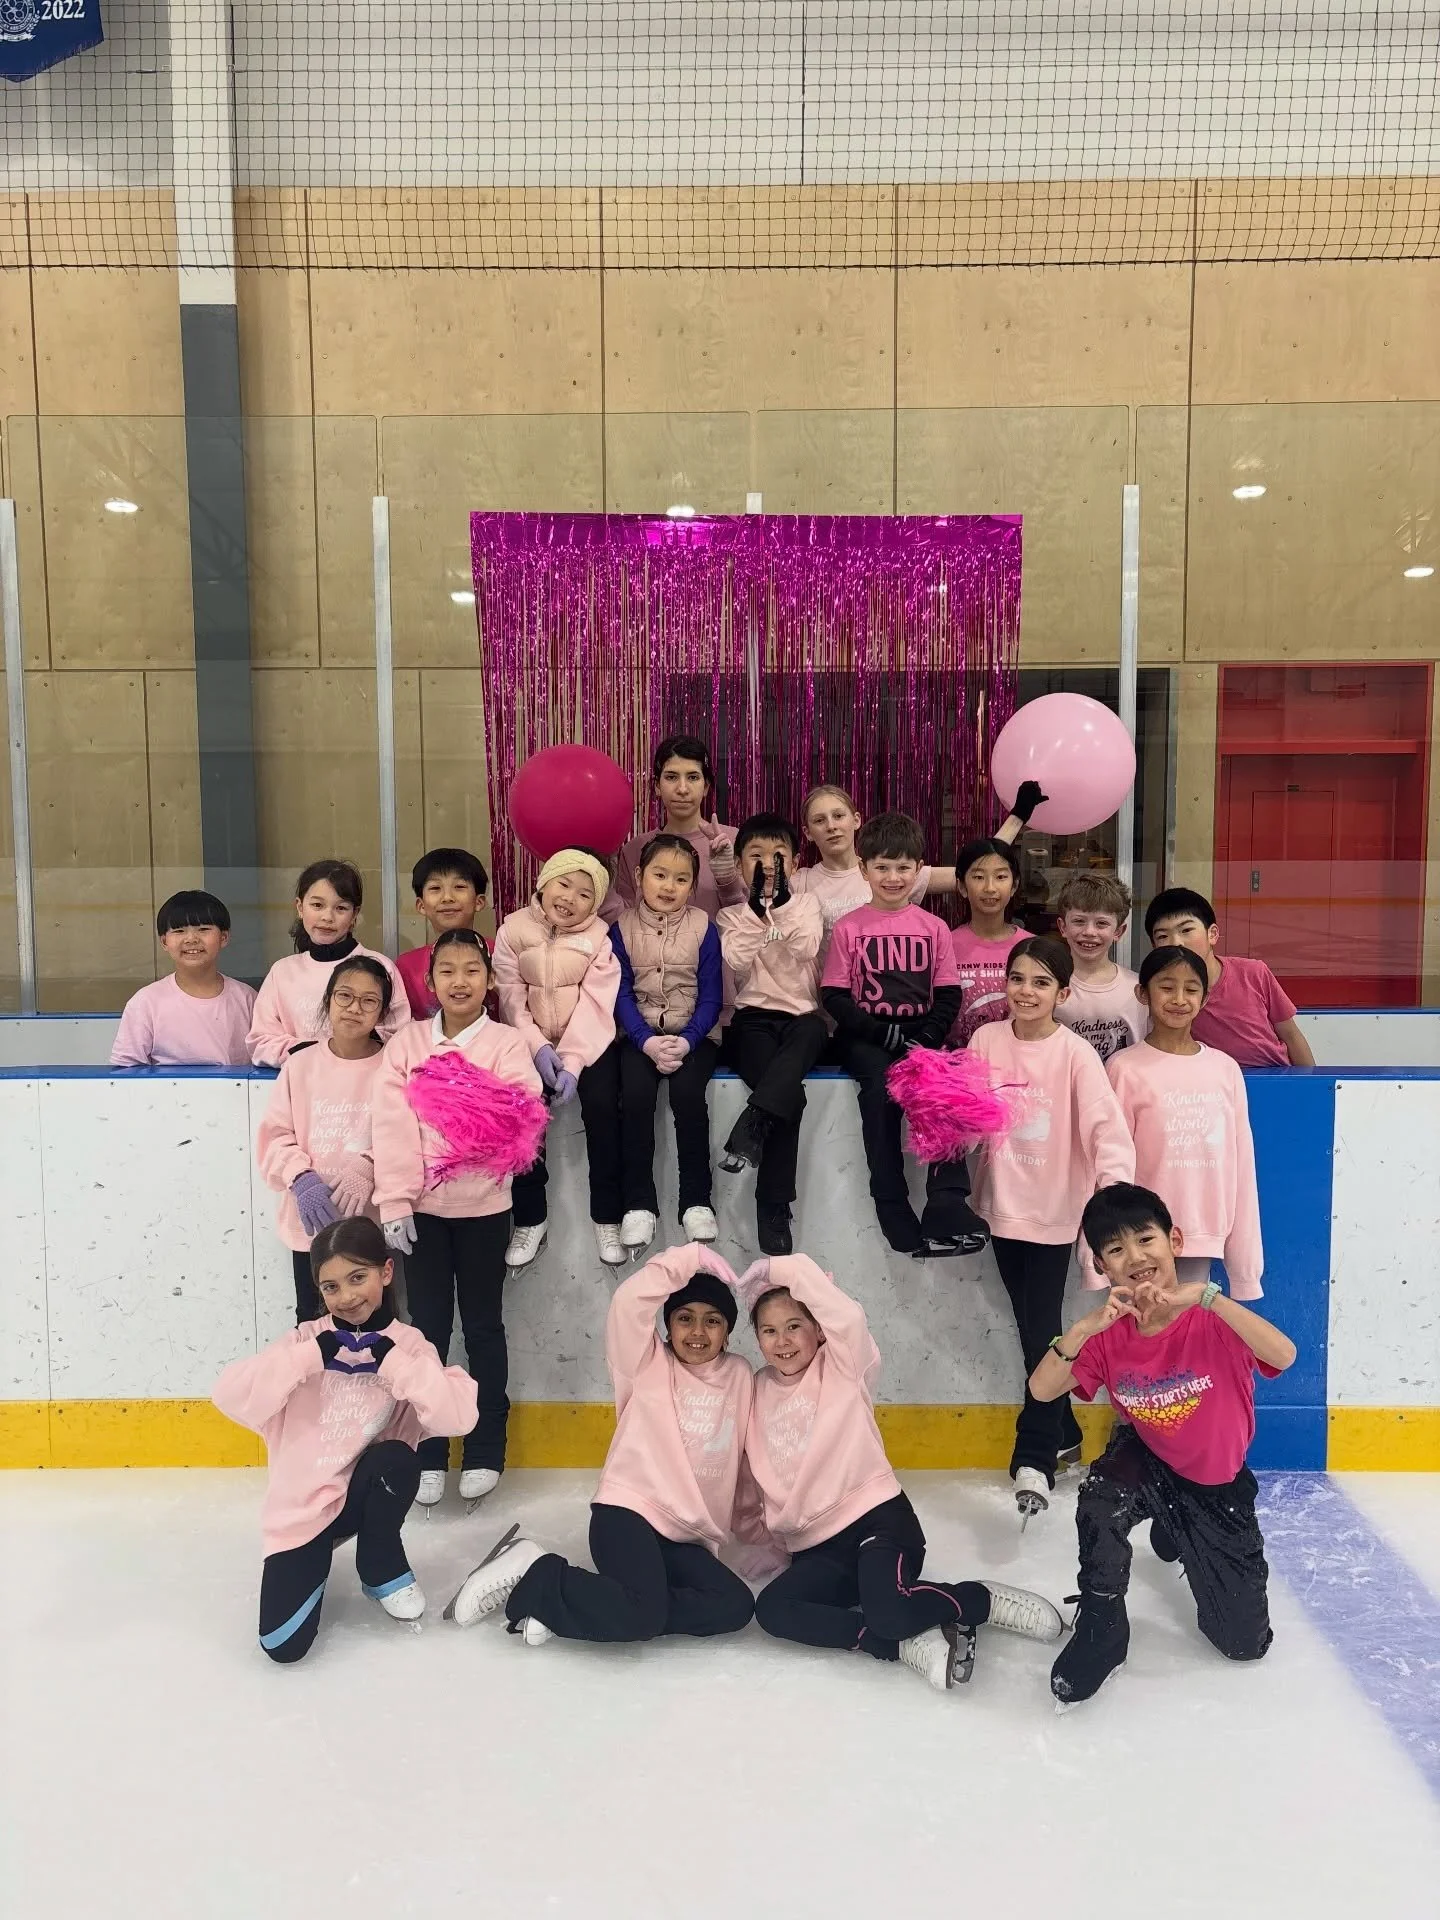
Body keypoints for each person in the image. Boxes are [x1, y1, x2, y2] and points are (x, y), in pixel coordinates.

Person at [744, 1255, 1063, 1691]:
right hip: (817, 1548)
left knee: (891, 1611)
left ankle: (979, 1600)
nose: (782, 1340)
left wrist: (784, 1270)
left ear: (819, 1329)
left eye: (794, 1325)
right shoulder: (756, 1389)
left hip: (878, 1523)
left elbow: (848, 1316)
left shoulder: (841, 1367)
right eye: (769, 1330)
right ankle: (893, 1644)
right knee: (774, 1610)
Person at [1032, 1183, 1295, 1705]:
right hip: (1146, 1455)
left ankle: (1177, 1529)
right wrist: (1085, 1326)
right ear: (1102, 1267)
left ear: (1174, 1239)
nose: (1134, 1257)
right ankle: (1104, 1625)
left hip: (1214, 1483)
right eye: (1114, 1250)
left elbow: (1283, 1355)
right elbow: (1042, 1389)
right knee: (1102, 1498)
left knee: (1244, 1645)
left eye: (1145, 1239)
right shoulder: (1108, 1333)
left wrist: (1209, 1297)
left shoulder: (1211, 1316)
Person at [446, 1244, 757, 1648]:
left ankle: (572, 1605)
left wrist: (760, 1536)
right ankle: (536, 1571)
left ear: (728, 1331)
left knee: (734, 1605)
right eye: (685, 1319)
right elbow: (628, 1303)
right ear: (667, 1326)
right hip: (627, 1515)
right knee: (643, 1616)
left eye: (712, 1321)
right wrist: (686, 1258)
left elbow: (744, 1460)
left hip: (687, 1536)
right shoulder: (644, 1363)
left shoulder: (740, 1375)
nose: (697, 1332)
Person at [211, 1218, 479, 1664]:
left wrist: (396, 1366)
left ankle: (380, 1564)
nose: (348, 1296)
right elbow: (229, 1394)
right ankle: (317, 1546)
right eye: (331, 1287)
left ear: (386, 1272)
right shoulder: (304, 1340)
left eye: (359, 1277)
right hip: (303, 1510)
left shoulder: (409, 1346)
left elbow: (459, 1416)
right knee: (282, 1647)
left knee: (398, 1460)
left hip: (368, 1491)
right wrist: (307, 1359)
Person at [370, 928, 545, 1510]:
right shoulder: (405, 1045)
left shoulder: (507, 1043)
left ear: (489, 980)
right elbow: (393, 1128)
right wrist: (394, 1201)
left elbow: (515, 1119)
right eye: (448, 970)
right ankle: (427, 1449)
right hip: (419, 1215)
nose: (460, 981)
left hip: (484, 1211)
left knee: (483, 1329)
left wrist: (442, 1089)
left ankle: (486, 1446)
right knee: (426, 1333)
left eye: (472, 969)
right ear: (430, 980)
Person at [967, 936, 1135, 1520]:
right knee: (1034, 1333)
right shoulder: (985, 1040)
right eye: (1017, 979)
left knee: (1042, 1330)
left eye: (1041, 982)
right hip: (1002, 1207)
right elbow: (966, 1112)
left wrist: (1114, 1195)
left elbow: (1106, 1130)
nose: (1026, 991)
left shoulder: (1074, 1054)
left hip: (1056, 1212)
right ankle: (1064, 1433)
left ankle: (1034, 1453)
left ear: (1062, 993)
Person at [820, 810, 982, 1258]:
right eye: (883, 867)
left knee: (944, 1090)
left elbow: (948, 994)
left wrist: (927, 1035)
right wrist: (882, 1034)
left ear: (918, 869)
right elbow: (834, 996)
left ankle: (948, 1202)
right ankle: (893, 1208)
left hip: (921, 1034)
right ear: (864, 869)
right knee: (880, 1097)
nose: (893, 877)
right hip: (867, 1038)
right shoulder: (849, 927)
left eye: (903, 867)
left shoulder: (934, 928)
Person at [584, 834, 724, 1263]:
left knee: (688, 1099)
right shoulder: (619, 930)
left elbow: (712, 995)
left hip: (694, 1038)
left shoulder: (704, 927)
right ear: (640, 876)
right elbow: (620, 993)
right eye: (660, 875)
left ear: (693, 885)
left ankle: (696, 1202)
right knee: (638, 1100)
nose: (668, 886)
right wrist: (645, 1042)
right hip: (639, 1039)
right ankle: (638, 1204)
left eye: (681, 879)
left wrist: (686, 1040)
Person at [1100, 947, 1263, 1298]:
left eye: (1191, 989)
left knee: (1187, 1332)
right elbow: (1113, 1162)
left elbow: (1241, 1165)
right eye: (1166, 987)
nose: (1179, 999)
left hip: (1201, 1232)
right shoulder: (1123, 1068)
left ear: (1205, 998)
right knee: (1142, 1330)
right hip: (1139, 1238)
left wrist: (1245, 1269)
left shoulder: (1224, 1069)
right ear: (1142, 993)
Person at [491, 848, 622, 1271]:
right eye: (564, 884)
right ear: (544, 882)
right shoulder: (512, 930)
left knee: (605, 1110)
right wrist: (537, 1047)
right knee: (523, 1119)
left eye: (585, 894)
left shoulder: (601, 938)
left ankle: (607, 1216)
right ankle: (531, 1218)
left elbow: (597, 1005)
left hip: (587, 1046)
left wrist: (572, 1058)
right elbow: (509, 996)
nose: (570, 898)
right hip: (527, 1045)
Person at [256, 956, 392, 1324]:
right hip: (312, 1223)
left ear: (382, 1012)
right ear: (327, 1001)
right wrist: (301, 1179)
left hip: (372, 1222)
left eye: (369, 1001)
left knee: (377, 1322)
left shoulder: (393, 1065)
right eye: (344, 996)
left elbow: (407, 1132)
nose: (354, 1008)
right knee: (315, 1321)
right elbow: (275, 1136)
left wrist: (371, 1163)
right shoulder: (299, 1065)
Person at [716, 812, 828, 1255]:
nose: (767, 865)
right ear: (741, 865)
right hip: (753, 1021)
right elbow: (738, 961)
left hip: (803, 1019)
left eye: (778, 856)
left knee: (810, 1034)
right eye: (756, 857)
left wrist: (780, 906)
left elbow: (805, 947)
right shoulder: (729, 916)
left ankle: (751, 1124)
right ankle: (773, 1207)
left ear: (795, 863)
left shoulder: (807, 904)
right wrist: (759, 916)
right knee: (786, 1098)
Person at [794, 780, 1038, 970]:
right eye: (819, 820)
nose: (831, 826)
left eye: (838, 815)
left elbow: (980, 868)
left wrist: (1018, 817)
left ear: (855, 820)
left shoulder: (895, 875)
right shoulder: (800, 882)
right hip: (827, 1014)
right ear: (807, 832)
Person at [247, 858, 409, 1068]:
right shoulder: (282, 971)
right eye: (317, 905)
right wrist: (319, 1053)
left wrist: (348, 1053)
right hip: (299, 1085)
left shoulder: (380, 966)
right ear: (299, 907)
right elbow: (261, 1042)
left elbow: (399, 1037)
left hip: (364, 1086)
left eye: (341, 908)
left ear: (355, 915)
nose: (327, 917)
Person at [1145, 887, 1315, 1068]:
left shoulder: (1254, 972)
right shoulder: (1160, 993)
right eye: (1163, 936)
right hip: (1211, 1087)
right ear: (1154, 945)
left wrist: (1313, 1086)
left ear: (1213, 934)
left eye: (1186, 930)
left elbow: (1290, 1034)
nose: (1176, 942)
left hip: (1275, 1078)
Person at [110, 890, 256, 1068]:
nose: (191, 939)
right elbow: (126, 1069)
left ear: (223, 937)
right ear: (164, 942)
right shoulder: (146, 1002)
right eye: (179, 931)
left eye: (203, 929)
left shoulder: (247, 998)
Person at [608, 734, 746, 921]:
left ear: (705, 787)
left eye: (693, 777)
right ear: (657, 786)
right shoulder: (634, 849)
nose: (682, 789)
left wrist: (728, 880)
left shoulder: (733, 840)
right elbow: (622, 922)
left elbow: (753, 923)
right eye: (671, 777)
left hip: (720, 950)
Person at [1053, 871, 1147, 1061]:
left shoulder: (1137, 989)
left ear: (1119, 931)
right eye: (1079, 921)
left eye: (1101, 923)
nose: (1089, 932)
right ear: (1063, 927)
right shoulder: (1046, 985)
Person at [948, 837, 1029, 1048]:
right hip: (957, 1066)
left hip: (1016, 1062)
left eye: (1001, 876)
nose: (990, 887)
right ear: (962, 886)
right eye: (978, 877)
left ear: (1014, 885)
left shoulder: (1031, 947)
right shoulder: (944, 945)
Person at [397, 847, 489, 1021]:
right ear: (421, 905)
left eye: (459, 886)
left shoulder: (502, 953)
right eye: (435, 888)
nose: (447, 897)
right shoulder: (407, 967)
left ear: (479, 901)